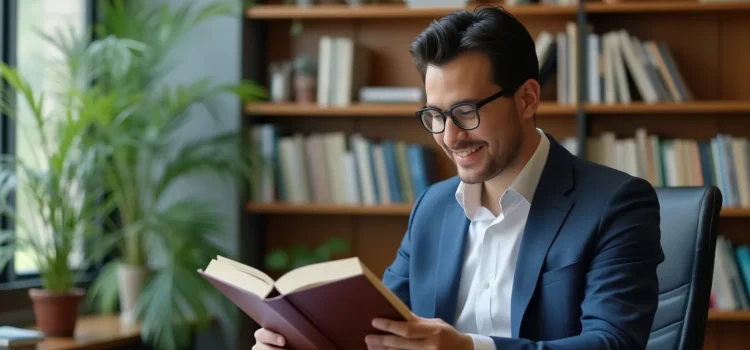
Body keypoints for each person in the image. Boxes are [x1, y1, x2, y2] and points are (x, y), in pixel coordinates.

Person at [253, 5, 664, 350]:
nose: (450, 137)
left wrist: (469, 348)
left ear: (527, 98)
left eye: (466, 111)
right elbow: (378, 331)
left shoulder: (616, 203)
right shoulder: (432, 207)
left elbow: (613, 342)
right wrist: (302, 339)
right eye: (435, 116)